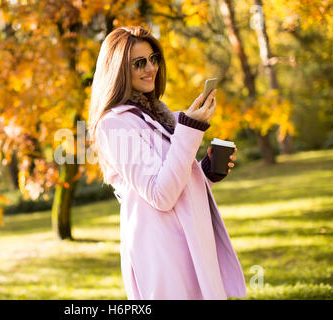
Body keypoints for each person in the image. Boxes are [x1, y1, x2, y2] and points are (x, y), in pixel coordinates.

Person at [88, 26, 246, 300]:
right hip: (161, 251)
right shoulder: (114, 124)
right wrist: (190, 129)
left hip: (190, 240)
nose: (150, 68)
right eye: (139, 63)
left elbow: (173, 176)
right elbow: (160, 195)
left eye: (153, 59)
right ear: (118, 70)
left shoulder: (157, 115)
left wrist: (205, 172)